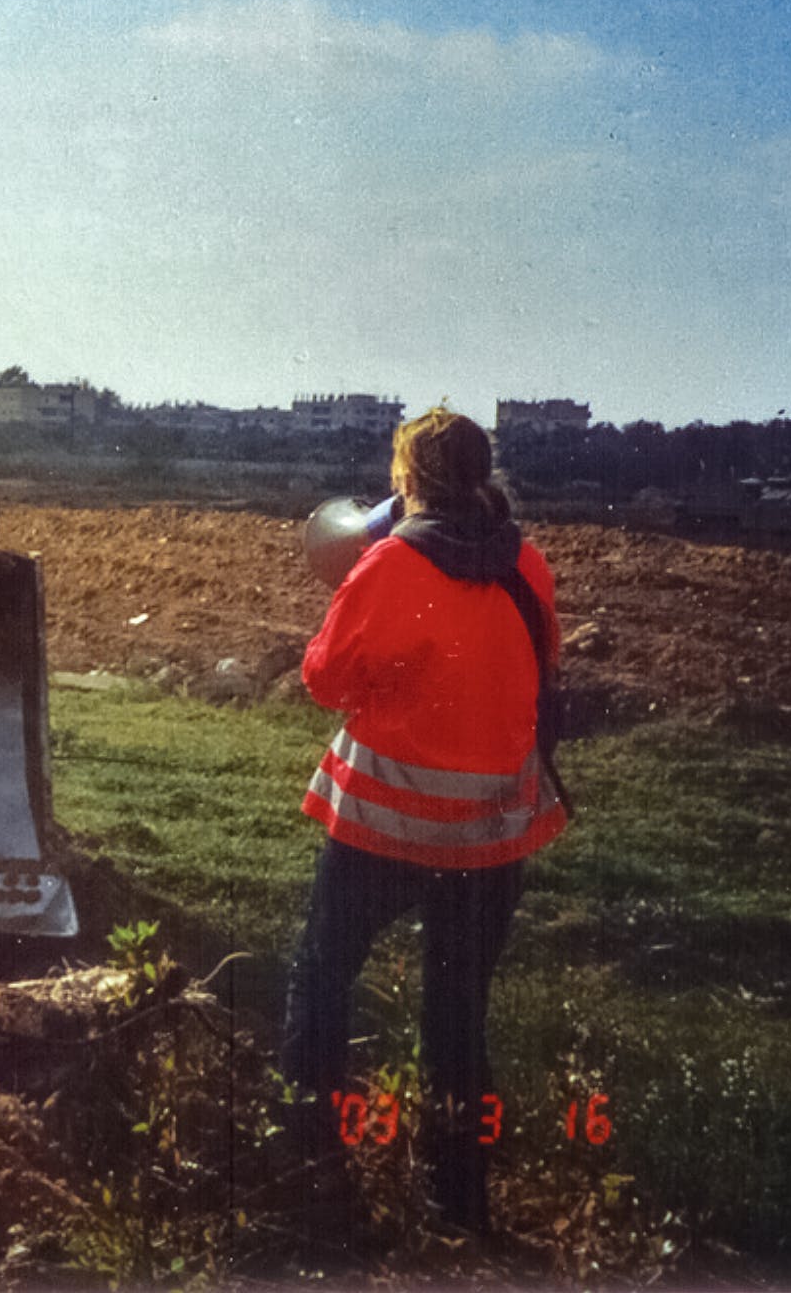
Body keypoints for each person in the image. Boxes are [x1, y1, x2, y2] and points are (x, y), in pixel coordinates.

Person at [281, 405, 569, 1239]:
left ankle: (309, 1167)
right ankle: (460, 1200)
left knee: (322, 979)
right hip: (491, 833)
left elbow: (325, 679)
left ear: (406, 480)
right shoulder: (528, 566)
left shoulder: (390, 563)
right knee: (456, 1013)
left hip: (386, 826)